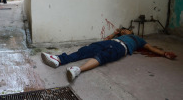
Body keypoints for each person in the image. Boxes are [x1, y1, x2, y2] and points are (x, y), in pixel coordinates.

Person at [41, 28, 177, 82]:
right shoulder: (119, 36)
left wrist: (164, 53)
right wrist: (115, 33)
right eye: (122, 30)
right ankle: (59, 59)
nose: (124, 30)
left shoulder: (139, 40)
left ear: (131, 31)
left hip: (120, 48)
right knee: (85, 50)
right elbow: (106, 39)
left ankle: (78, 70)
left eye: (126, 29)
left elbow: (151, 48)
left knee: (102, 57)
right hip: (110, 42)